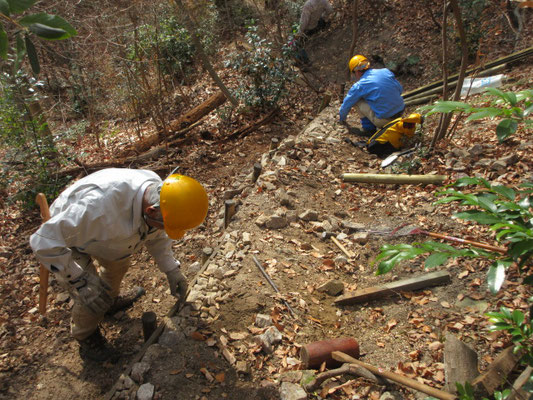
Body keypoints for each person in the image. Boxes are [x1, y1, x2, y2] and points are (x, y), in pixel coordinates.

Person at [29, 168, 209, 362]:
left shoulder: (163, 196)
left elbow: (157, 235)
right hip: (66, 238)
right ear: (150, 211)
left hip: (109, 236)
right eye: (165, 225)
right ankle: (86, 336)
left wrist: (171, 269)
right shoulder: (95, 209)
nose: (165, 230)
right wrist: (79, 280)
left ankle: (110, 301)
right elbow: (43, 241)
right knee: (91, 295)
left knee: (116, 271)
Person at [339, 55, 405, 135]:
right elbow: (400, 89)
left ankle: (368, 129)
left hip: (386, 120)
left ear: (356, 71)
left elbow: (347, 104)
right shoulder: (385, 71)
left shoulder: (360, 85)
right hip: (401, 113)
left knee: (356, 100)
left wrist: (342, 119)